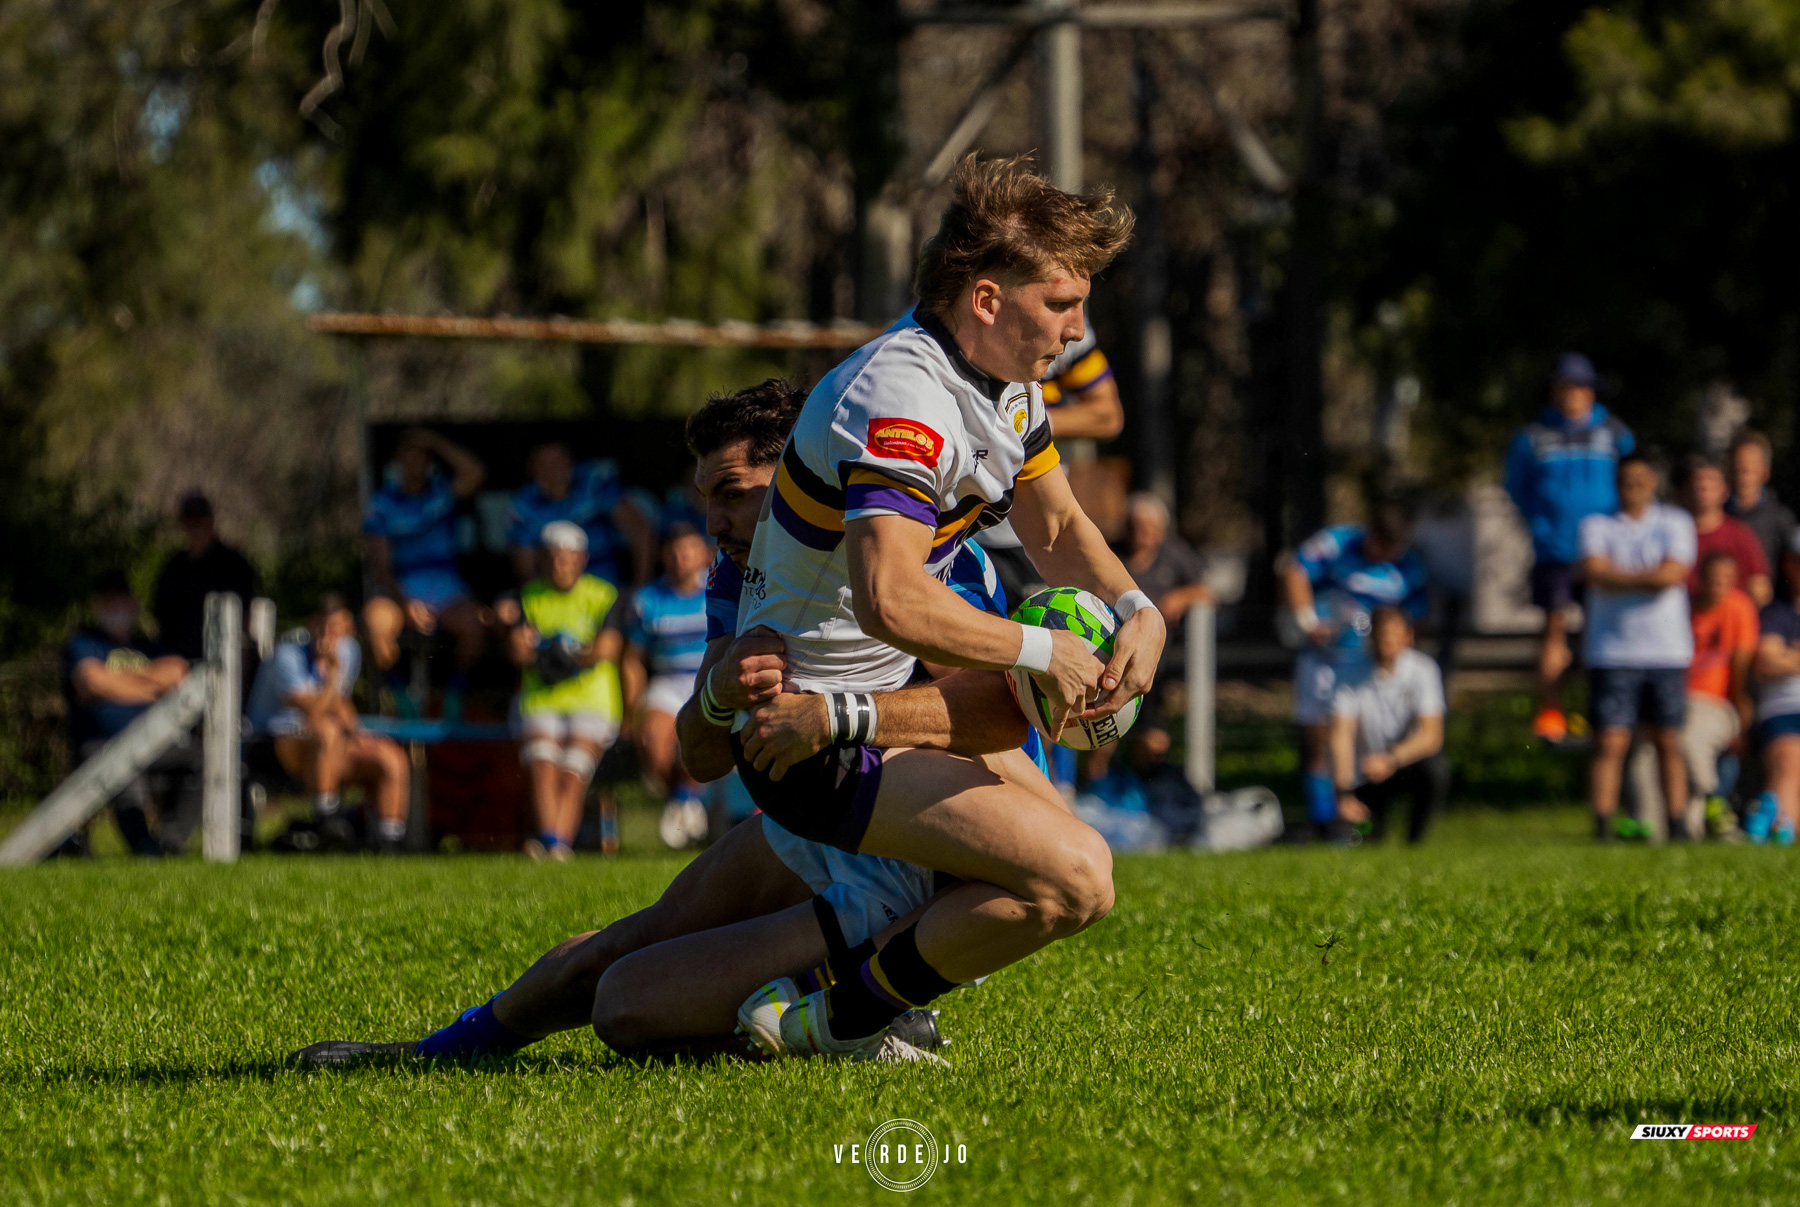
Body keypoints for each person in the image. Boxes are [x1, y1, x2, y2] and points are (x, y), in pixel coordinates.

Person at [378, 381, 1032, 1064]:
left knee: (626, 1005)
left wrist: (838, 715)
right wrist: (721, 690)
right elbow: (700, 754)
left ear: (801, 475)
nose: (712, 522)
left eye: (733, 493)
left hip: (911, 865)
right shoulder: (736, 575)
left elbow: (996, 721)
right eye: (707, 499)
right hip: (816, 820)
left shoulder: (924, 554)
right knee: (624, 943)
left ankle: (843, 1015)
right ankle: (446, 1047)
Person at [711, 154, 1160, 1061]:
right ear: (987, 301)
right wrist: (1043, 650)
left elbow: (1058, 521)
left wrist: (1137, 605)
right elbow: (890, 598)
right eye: (1062, 304)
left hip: (876, 709)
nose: (1079, 331)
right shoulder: (903, 397)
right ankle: (834, 1013)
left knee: (1068, 882)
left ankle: (833, 1017)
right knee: (1073, 874)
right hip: (807, 737)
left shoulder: (1003, 382)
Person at [1278, 492, 1428, 838]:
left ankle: (1360, 822)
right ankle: (1325, 821)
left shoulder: (1409, 566)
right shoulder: (1338, 542)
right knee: (1321, 743)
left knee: (1360, 743)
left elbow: (1415, 619)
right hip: (1324, 659)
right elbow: (1295, 571)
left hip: (1367, 667)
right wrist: (1307, 620)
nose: (1382, 555)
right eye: (1379, 545)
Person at [1504, 352, 1635, 742]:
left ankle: (1603, 710)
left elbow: (1634, 479)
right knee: (1554, 627)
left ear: (1591, 390)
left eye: (1580, 386)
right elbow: (1516, 488)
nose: (1572, 394)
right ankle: (1551, 713)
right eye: (1565, 386)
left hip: (1604, 552)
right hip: (1555, 550)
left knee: (1604, 632)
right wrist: (1541, 526)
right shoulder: (1532, 437)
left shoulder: (1614, 432)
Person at [1580, 454, 1696, 842]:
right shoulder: (1596, 524)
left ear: (1653, 483)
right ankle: (1602, 827)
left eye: (1640, 481)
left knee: (1667, 740)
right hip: (1612, 651)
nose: (1633, 488)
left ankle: (1677, 825)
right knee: (1610, 741)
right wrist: (1648, 577)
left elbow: (1672, 574)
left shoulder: (1676, 522)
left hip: (1666, 651)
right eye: (1626, 481)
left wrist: (1617, 578)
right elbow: (1594, 571)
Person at [245, 595, 411, 852]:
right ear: (312, 625)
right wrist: (333, 674)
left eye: (336, 628)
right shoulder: (286, 655)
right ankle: (327, 824)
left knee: (389, 756)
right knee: (326, 731)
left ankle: (389, 844)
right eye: (322, 626)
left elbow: (340, 702)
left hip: (324, 743)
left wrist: (357, 732)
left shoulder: (349, 651)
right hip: (272, 741)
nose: (328, 635)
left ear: (348, 630)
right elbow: (313, 712)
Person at [506, 521, 624, 861]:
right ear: (542, 559)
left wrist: (552, 652)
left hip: (592, 699)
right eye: (553, 557)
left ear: (582, 559)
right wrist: (567, 653)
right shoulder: (526, 596)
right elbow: (517, 650)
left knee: (573, 770)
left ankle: (555, 843)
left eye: (568, 557)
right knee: (543, 763)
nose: (560, 565)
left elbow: (606, 650)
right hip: (541, 697)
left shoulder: (603, 595)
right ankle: (551, 841)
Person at [62, 570, 197, 856]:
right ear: (96, 605)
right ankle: (143, 846)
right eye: (106, 602)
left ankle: (170, 841)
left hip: (159, 742)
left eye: (119, 600)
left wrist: (116, 683)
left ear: (133, 603)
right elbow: (91, 682)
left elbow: (178, 672)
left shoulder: (149, 644)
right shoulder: (84, 641)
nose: (114, 608)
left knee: (204, 758)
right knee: (123, 765)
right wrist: (151, 687)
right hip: (102, 742)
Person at [361, 428, 489, 677]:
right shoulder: (381, 504)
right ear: (396, 461)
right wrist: (404, 603)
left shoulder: (443, 491)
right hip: (400, 587)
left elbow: (476, 472)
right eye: (408, 455)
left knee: (477, 625)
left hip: (446, 587)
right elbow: (381, 565)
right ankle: (400, 704)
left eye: (420, 455)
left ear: (429, 460)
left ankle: (453, 700)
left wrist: (434, 441)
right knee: (375, 624)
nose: (414, 462)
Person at [622, 522, 713, 849]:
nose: (681, 557)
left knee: (699, 736)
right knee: (652, 741)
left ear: (704, 553)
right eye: (674, 551)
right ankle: (684, 799)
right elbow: (632, 660)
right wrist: (630, 712)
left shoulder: (722, 590)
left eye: (688, 549)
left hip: (710, 681)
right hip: (668, 681)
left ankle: (684, 800)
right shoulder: (647, 600)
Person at [1329, 607, 1448, 844]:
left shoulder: (1423, 670)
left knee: (1436, 770)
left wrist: (1391, 759)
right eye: (1383, 634)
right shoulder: (1348, 676)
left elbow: (1432, 736)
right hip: (1365, 773)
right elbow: (1341, 736)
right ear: (1371, 638)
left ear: (1408, 636)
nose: (1388, 641)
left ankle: (1415, 843)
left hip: (1403, 765)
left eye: (1394, 633)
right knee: (1365, 840)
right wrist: (1343, 793)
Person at [1674, 552, 1757, 839]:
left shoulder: (1739, 607)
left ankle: (1713, 800)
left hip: (1717, 704)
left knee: (1687, 737)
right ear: (1700, 578)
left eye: (1726, 579)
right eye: (1713, 578)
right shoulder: (1682, 608)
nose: (1719, 585)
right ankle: (1683, 825)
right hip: (1678, 702)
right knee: (1654, 747)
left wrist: (1743, 717)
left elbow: (1740, 672)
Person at [506, 443, 655, 589]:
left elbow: (640, 529)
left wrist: (641, 586)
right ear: (531, 467)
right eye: (543, 464)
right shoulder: (523, 505)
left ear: (570, 461)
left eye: (557, 461)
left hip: (607, 590)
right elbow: (526, 570)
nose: (552, 469)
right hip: (555, 595)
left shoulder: (594, 484)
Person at [151, 492, 259, 663]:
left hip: (222, 659)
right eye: (190, 522)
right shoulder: (174, 566)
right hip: (177, 659)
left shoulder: (233, 564)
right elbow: (160, 615)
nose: (196, 528)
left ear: (211, 521)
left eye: (200, 521)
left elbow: (246, 616)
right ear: (183, 525)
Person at [1682, 455, 1770, 605]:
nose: (1703, 486)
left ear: (1724, 491)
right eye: (1698, 480)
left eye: (1711, 480)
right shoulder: (1675, 532)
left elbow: (1760, 589)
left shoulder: (1739, 534)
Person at [1748, 594, 1800, 845]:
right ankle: (1782, 828)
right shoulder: (1777, 613)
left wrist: (1789, 657)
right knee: (1788, 759)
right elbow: (1766, 663)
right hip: (1784, 708)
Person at [1726, 429, 1798, 601]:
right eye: (1738, 467)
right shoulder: (1716, 514)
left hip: (1766, 613)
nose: (1742, 473)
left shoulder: (1781, 519)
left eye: (1748, 469)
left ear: (1765, 472)